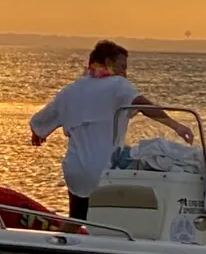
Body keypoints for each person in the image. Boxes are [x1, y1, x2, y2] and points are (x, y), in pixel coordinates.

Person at [30, 40, 194, 221]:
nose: (125, 73)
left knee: (77, 219)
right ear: (108, 62)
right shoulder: (117, 85)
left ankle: (66, 235)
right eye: (122, 67)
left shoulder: (69, 91)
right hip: (104, 171)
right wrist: (176, 126)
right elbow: (143, 105)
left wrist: (37, 134)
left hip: (76, 170)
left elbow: (40, 121)